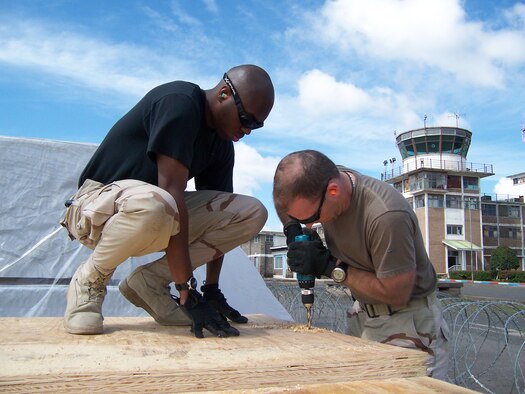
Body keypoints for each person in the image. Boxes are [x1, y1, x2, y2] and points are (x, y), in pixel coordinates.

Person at [60, 64, 275, 339]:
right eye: (246, 119)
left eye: (257, 125)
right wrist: (186, 287)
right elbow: (172, 195)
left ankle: (150, 282)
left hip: (154, 211)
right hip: (94, 208)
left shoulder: (221, 144)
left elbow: (219, 210)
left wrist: (210, 290)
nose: (248, 130)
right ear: (223, 94)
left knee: (251, 212)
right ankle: (90, 279)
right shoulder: (180, 102)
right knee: (160, 202)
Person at [273, 150, 449, 379]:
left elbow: (397, 292)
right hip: (363, 313)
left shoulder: (385, 215)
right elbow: (283, 198)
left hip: (407, 322)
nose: (309, 226)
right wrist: (291, 229)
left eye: (310, 218)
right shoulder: (323, 179)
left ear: (333, 191)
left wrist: (328, 266)